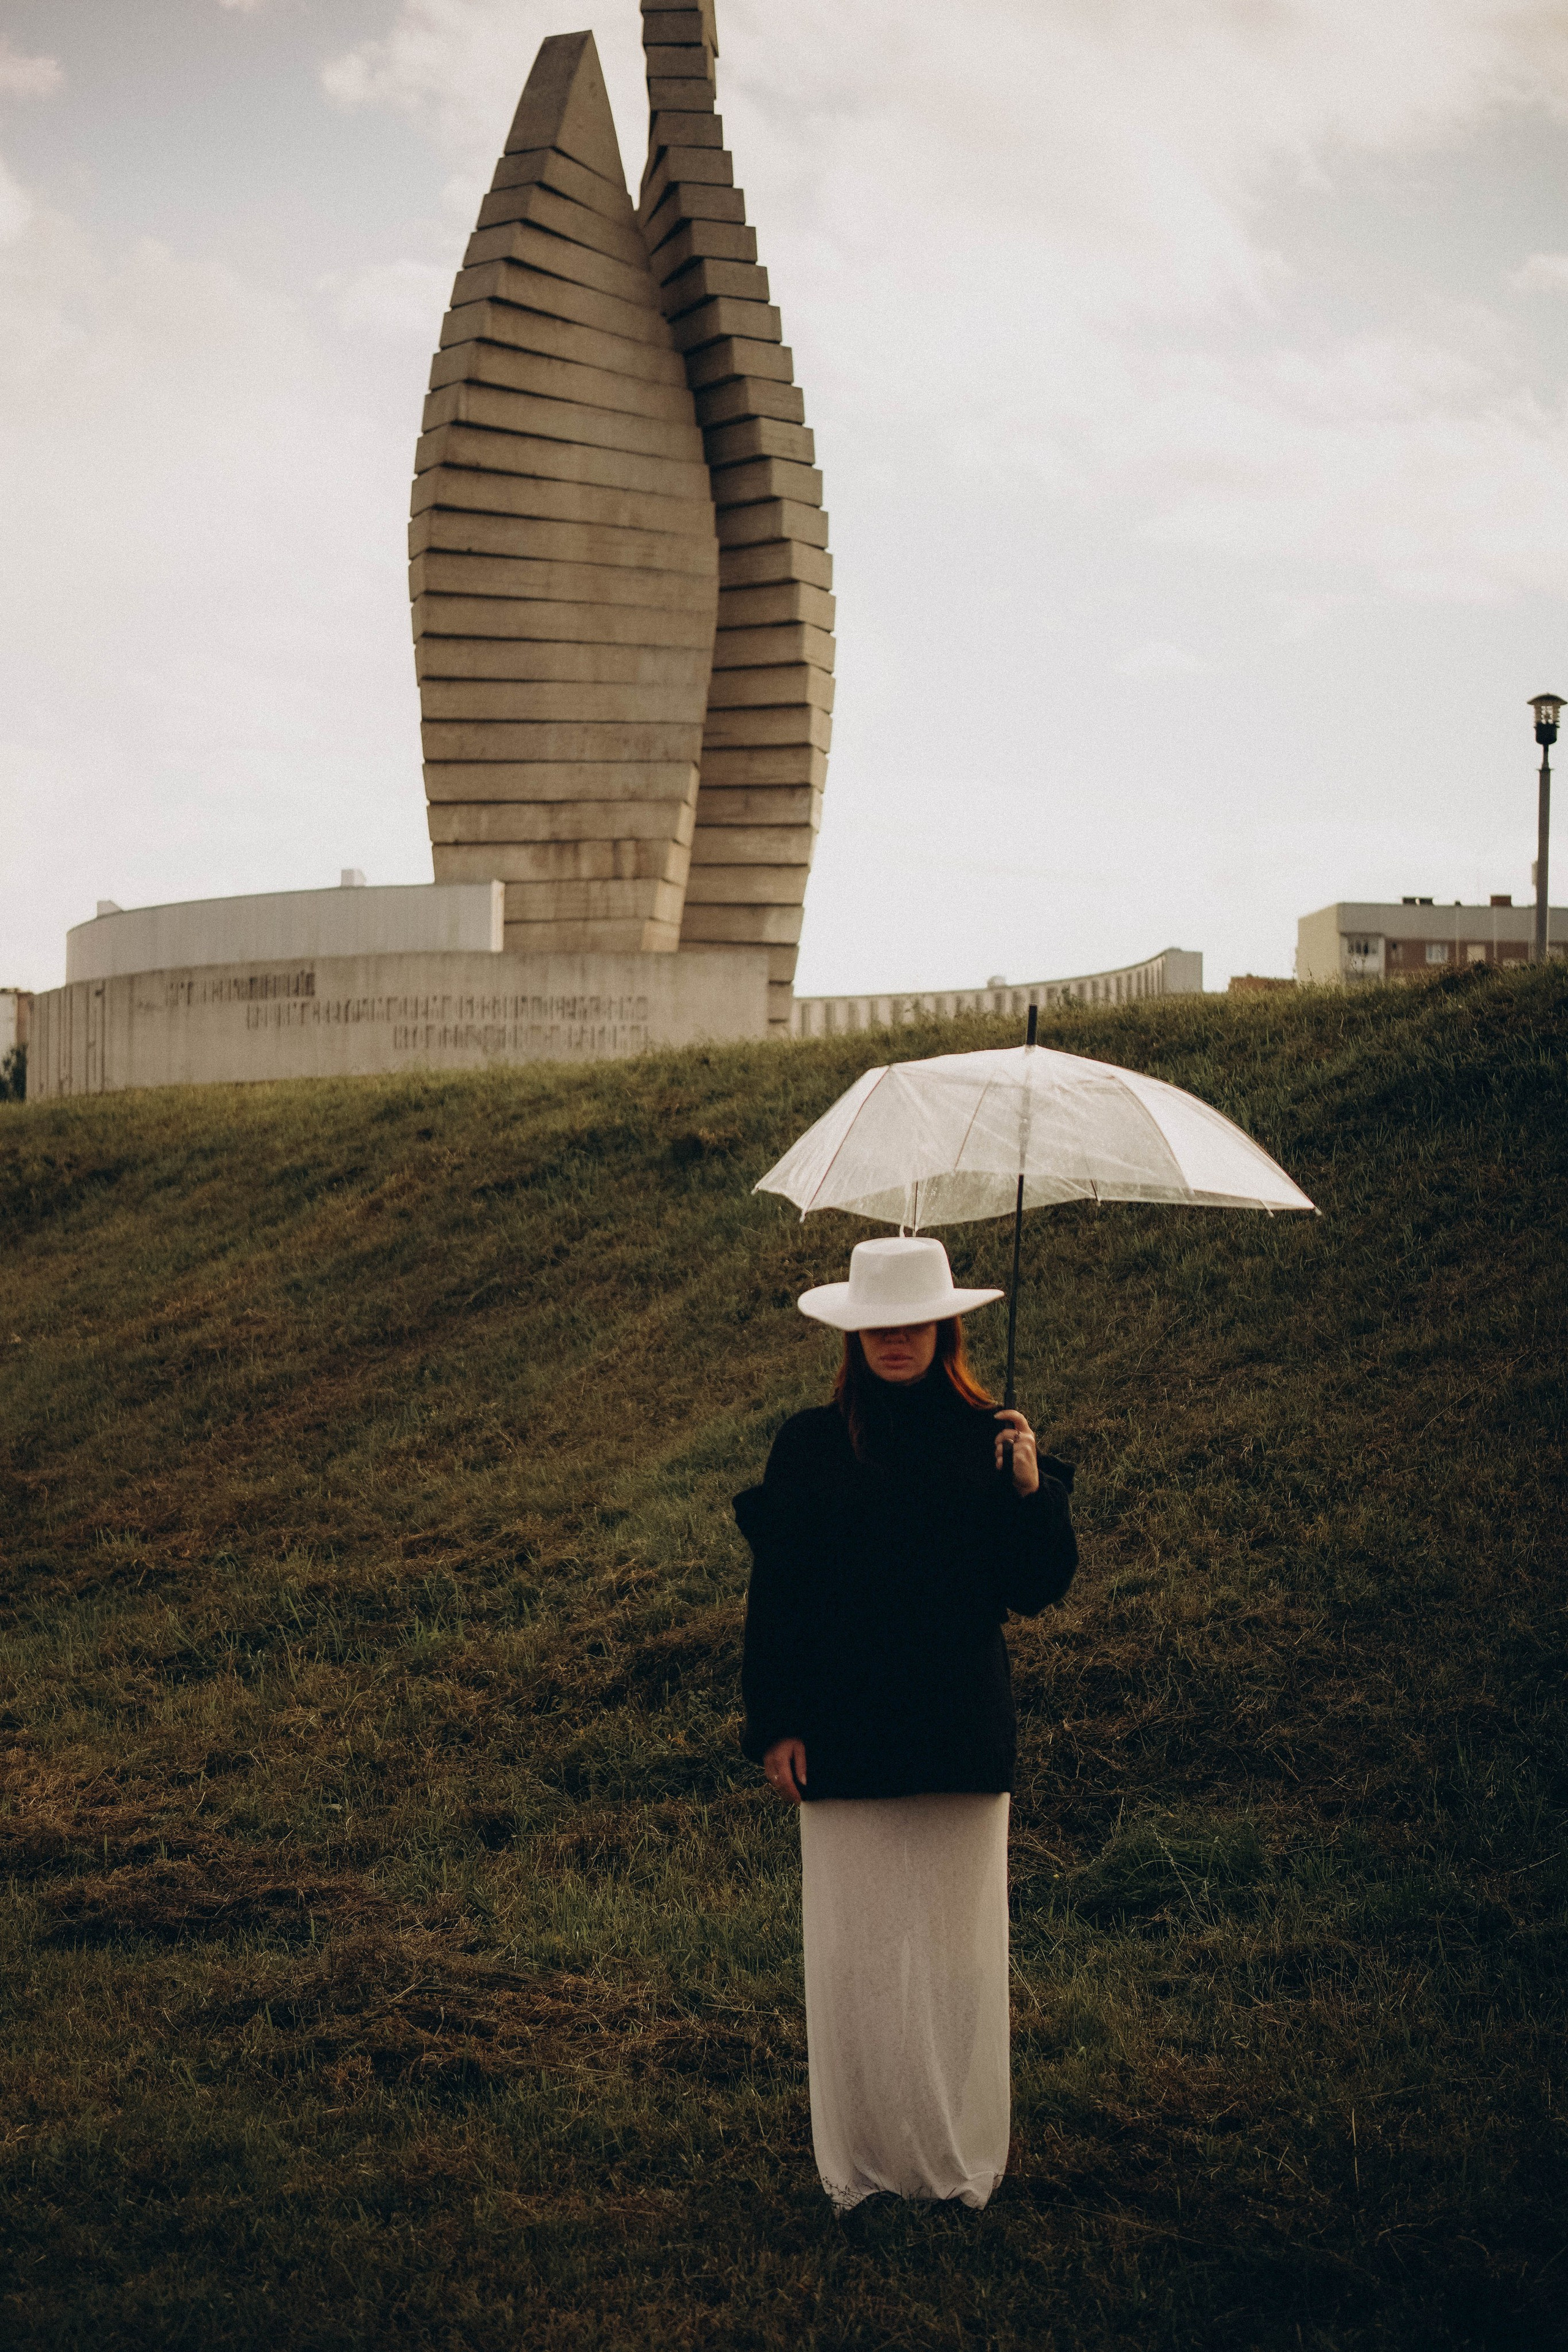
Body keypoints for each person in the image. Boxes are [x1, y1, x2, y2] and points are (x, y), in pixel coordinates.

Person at [734, 1234, 1078, 2214]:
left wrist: (1030, 1489)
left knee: (956, 1955)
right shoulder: (810, 1444)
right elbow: (779, 1597)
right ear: (855, 1334)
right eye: (880, 1325)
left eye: (915, 1322)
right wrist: (777, 1722)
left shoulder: (992, 1437)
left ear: (944, 1328)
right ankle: (870, 2162)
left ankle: (950, 2156)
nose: (897, 1339)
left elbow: (1035, 1587)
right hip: (843, 1729)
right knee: (858, 1954)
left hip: (958, 1725)